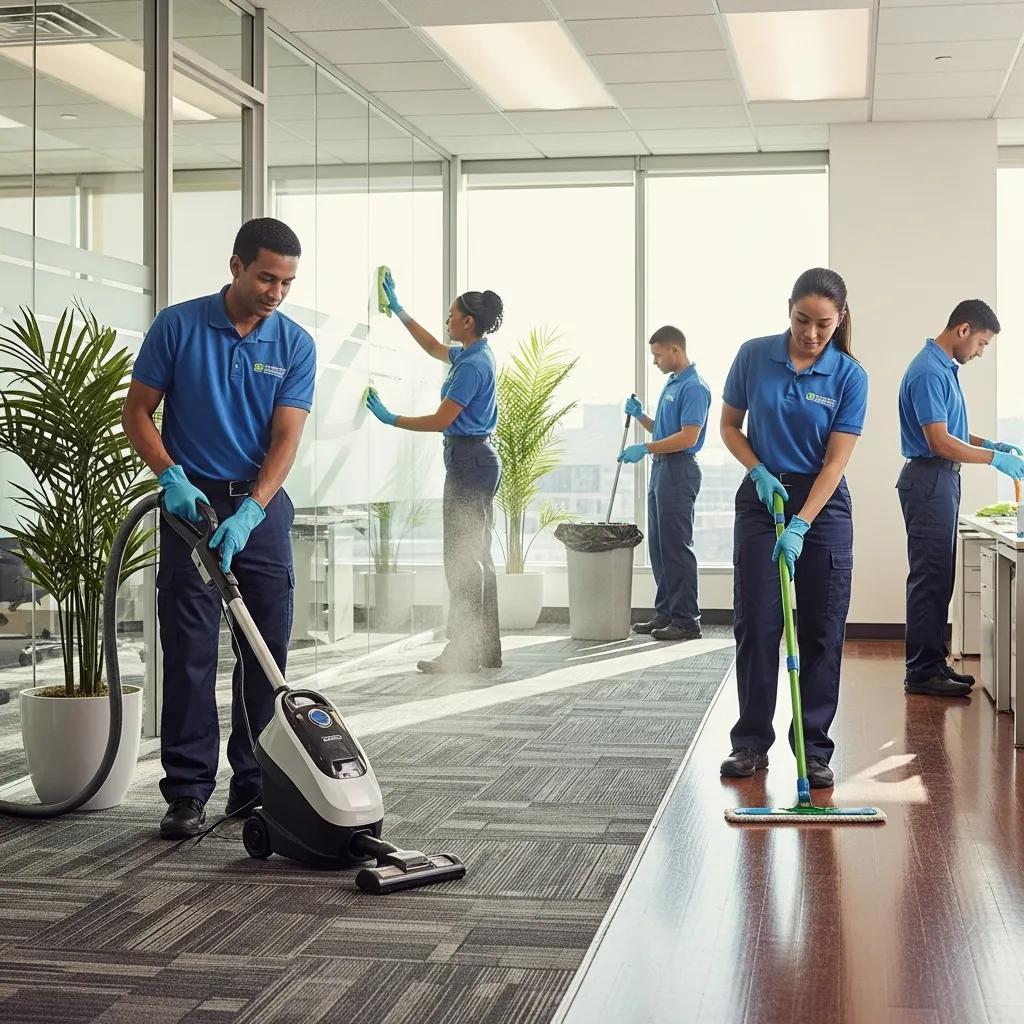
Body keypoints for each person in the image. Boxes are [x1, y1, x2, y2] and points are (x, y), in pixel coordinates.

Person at [122, 218, 315, 839]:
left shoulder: (294, 344)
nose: (276, 292)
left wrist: (254, 509)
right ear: (236, 266)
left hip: (260, 506)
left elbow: (286, 438)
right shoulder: (178, 326)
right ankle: (186, 792)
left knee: (263, 652)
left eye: (286, 282)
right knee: (190, 651)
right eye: (266, 277)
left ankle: (255, 784)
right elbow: (137, 413)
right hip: (191, 507)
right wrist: (171, 477)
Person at [719, 268, 867, 789]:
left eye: (823, 324)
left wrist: (802, 522)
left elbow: (835, 463)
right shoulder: (754, 355)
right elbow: (729, 426)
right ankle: (750, 743)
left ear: (840, 319)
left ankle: (814, 749)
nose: (811, 333)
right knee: (758, 623)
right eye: (803, 320)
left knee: (822, 629)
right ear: (789, 309)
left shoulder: (849, 375)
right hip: (763, 497)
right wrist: (757, 470)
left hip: (822, 504)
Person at [368, 272, 502, 674]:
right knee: (476, 558)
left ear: (468, 322)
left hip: (468, 463)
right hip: (475, 461)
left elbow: (442, 420)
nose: (447, 320)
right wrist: (399, 309)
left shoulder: (472, 365)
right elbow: (431, 347)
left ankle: (463, 653)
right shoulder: (474, 353)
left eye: (451, 315)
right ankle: (484, 650)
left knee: (462, 561)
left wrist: (391, 418)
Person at [897, 300, 1024, 698]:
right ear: (964, 329)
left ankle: (933, 664)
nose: (981, 352)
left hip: (941, 479)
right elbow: (939, 441)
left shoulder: (943, 369)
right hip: (929, 478)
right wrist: (994, 460)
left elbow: (951, 431)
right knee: (929, 578)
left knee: (940, 578)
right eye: (982, 343)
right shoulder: (929, 371)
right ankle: (921, 673)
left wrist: (992, 445)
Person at [618, 325, 711, 641]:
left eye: (658, 355)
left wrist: (644, 448)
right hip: (661, 470)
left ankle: (686, 620)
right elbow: (664, 430)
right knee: (659, 547)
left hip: (679, 471)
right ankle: (667, 613)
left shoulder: (694, 387)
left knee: (676, 547)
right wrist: (641, 416)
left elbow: (688, 438)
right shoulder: (673, 383)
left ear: (675, 350)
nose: (655, 361)